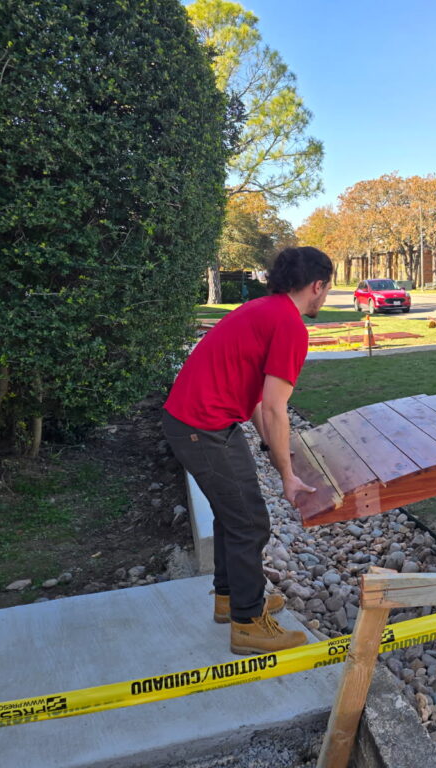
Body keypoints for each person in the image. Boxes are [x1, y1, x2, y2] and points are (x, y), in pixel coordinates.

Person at [162, 246, 333, 654]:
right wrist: (288, 476)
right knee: (249, 521)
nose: (325, 297)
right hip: (199, 426)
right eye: (327, 290)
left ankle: (231, 597)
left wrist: (283, 460)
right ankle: (247, 622)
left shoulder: (265, 309)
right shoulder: (290, 325)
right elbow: (275, 408)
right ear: (317, 285)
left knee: (234, 511)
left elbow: (258, 401)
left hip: (205, 421)